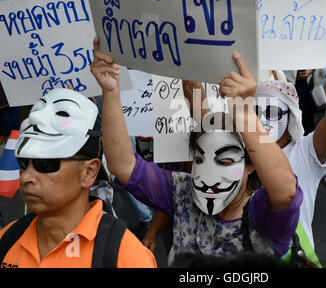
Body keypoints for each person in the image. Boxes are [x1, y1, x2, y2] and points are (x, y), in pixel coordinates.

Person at [90, 38, 302, 263]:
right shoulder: (183, 193)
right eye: (200, 159)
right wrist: (111, 91)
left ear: (251, 165)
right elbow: (123, 166)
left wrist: (243, 112)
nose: (210, 176)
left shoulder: (261, 214)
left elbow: (286, 190)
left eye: (226, 162)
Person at [0, 88, 157, 268]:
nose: (26, 176)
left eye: (45, 163)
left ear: (89, 171)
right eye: (22, 163)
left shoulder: (127, 257)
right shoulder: (7, 239)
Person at [254, 14, 326, 264]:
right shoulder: (235, 155)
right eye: (254, 110)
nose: (263, 120)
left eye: (273, 111)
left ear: (291, 115)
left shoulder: (306, 152)